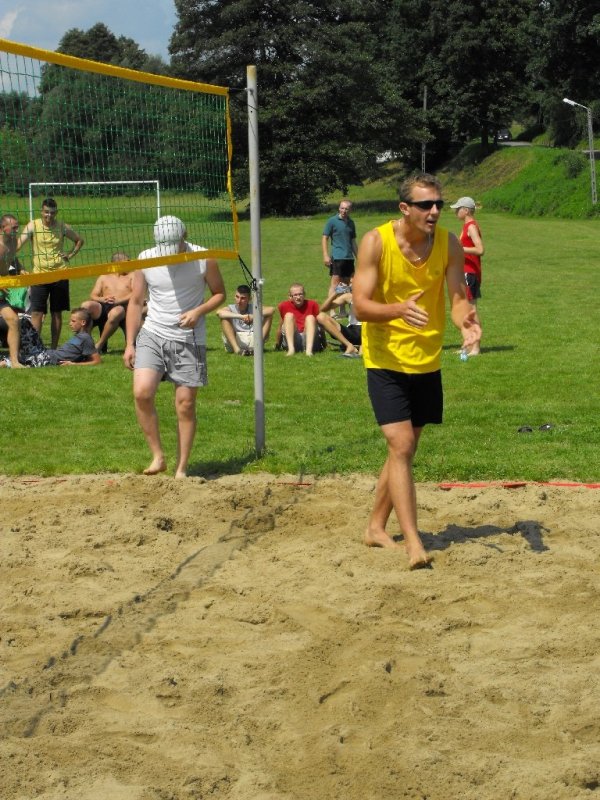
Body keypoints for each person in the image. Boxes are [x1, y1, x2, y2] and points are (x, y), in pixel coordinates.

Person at [353, 173, 480, 569]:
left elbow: (457, 298)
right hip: (385, 359)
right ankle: (413, 543)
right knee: (402, 445)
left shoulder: (449, 243)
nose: (435, 211)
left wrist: (465, 323)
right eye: (426, 205)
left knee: (402, 452)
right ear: (404, 208)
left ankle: (375, 527)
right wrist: (397, 310)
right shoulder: (376, 241)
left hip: (426, 360)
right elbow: (359, 306)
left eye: (438, 204)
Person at [123, 215, 226, 479]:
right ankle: (158, 456)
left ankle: (181, 468)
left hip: (188, 337)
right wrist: (130, 343)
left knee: (185, 404)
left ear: (184, 237)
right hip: (153, 332)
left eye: (173, 246)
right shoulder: (146, 258)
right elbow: (135, 301)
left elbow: (219, 293)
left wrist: (198, 311)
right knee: (142, 393)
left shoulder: (204, 257)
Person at [17, 198, 84, 348]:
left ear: (56, 213)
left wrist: (70, 255)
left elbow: (79, 240)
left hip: (59, 274)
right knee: (37, 313)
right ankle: (34, 347)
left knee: (56, 313)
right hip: (39, 275)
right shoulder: (33, 225)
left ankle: (53, 348)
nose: (49, 215)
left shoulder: (62, 226)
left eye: (52, 213)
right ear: (41, 211)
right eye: (46, 212)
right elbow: (18, 245)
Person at [0, 307, 100, 368]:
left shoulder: (86, 338)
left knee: (22, 320)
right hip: (45, 353)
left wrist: (74, 364)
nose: (70, 323)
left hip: (47, 359)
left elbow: (97, 360)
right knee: (23, 320)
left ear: (83, 322)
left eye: (73, 321)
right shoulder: (79, 336)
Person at [450, 196, 484, 356]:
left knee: (472, 310)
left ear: (466, 210)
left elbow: (480, 249)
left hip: (471, 273)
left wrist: (460, 249)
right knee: (466, 310)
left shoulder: (471, 227)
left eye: (458, 209)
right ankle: (469, 345)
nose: (456, 212)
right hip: (465, 272)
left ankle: (475, 348)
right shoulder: (466, 226)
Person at [81, 252, 134, 353]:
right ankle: (86, 344)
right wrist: (103, 299)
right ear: (117, 263)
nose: (130, 264)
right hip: (104, 306)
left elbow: (135, 293)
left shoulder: (132, 276)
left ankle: (99, 345)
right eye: (127, 262)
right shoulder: (104, 277)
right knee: (86, 306)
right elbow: (93, 295)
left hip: (123, 307)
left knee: (117, 311)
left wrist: (119, 301)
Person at [217, 284, 274, 355]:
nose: (239, 301)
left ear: (249, 299)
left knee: (269, 316)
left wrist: (253, 316)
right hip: (235, 340)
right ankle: (237, 350)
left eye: (243, 298)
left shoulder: (254, 308)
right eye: (237, 297)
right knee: (224, 319)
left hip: (253, 340)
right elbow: (219, 312)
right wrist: (242, 317)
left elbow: (271, 310)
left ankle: (257, 348)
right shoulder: (231, 308)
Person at [0, 214, 26, 369]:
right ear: (3, 228)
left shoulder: (14, 242)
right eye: (14, 227)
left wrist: (21, 269)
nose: (17, 230)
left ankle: (15, 362)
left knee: (13, 320)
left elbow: (12, 259)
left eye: (18, 227)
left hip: (2, 289)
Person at [322, 199, 358, 299]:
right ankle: (331, 307)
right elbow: (325, 238)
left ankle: (342, 307)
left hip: (349, 258)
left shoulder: (351, 223)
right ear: (339, 208)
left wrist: (359, 257)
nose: (344, 211)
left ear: (350, 210)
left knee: (346, 284)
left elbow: (353, 242)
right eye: (342, 208)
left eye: (346, 209)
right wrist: (325, 255)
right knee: (335, 284)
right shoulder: (332, 221)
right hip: (337, 257)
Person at [277, 283, 324, 356]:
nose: (298, 297)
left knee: (310, 318)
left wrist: (324, 344)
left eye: (300, 294)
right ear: (290, 296)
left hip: (309, 338)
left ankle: (309, 351)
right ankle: (291, 350)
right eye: (295, 295)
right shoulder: (283, 306)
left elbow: (320, 326)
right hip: (293, 337)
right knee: (288, 316)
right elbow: (281, 326)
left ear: (304, 295)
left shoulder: (313, 304)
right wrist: (277, 344)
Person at [317, 287, 362, 356]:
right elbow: (323, 309)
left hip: (366, 330)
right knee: (321, 317)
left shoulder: (374, 296)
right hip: (351, 331)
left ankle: (360, 346)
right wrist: (335, 293)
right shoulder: (348, 296)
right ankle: (349, 346)